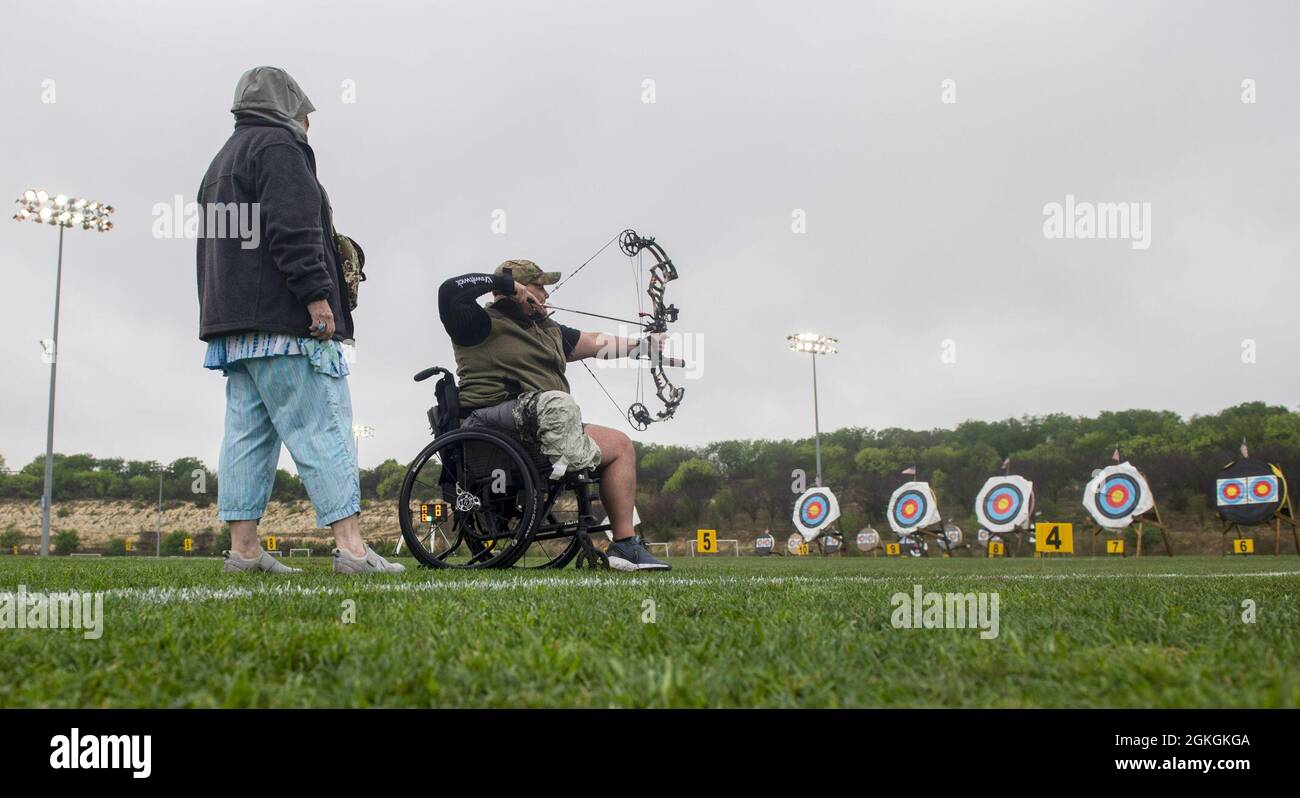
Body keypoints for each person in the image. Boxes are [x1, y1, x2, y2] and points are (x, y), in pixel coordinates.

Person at [197, 66, 403, 575]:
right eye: (306, 113)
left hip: (234, 327)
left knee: (247, 435)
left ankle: (243, 552)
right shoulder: (279, 148)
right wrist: (316, 295)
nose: (309, 124)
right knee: (324, 426)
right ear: (287, 106)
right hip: (286, 324)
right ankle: (353, 550)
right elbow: (293, 227)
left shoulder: (220, 162)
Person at [437, 261, 671, 571]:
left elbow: (596, 342)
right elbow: (449, 292)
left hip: (546, 423)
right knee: (557, 402)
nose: (546, 294)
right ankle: (572, 457)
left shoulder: (547, 329)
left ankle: (625, 545)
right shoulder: (476, 323)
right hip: (495, 425)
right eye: (539, 287)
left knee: (620, 445)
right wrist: (505, 285)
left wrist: (642, 346)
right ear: (515, 290)